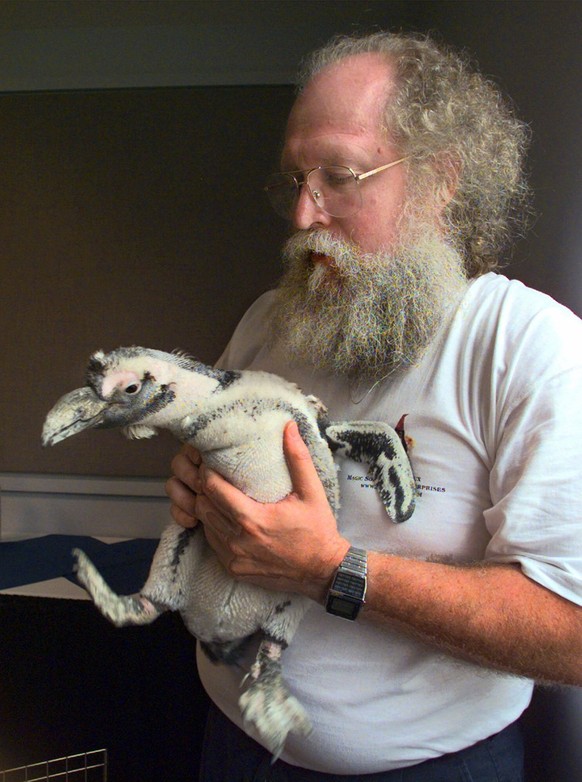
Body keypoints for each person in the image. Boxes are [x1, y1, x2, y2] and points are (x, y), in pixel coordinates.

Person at [166, 31, 582, 781]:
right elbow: (213, 465)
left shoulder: (531, 347)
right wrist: (197, 490)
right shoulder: (267, 318)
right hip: (230, 740)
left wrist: (331, 569)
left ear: (439, 181)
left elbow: (572, 634)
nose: (303, 215)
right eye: (294, 179)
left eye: (341, 176)